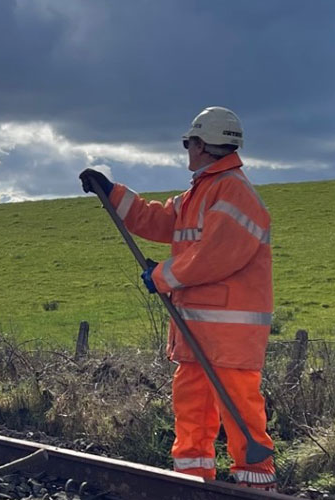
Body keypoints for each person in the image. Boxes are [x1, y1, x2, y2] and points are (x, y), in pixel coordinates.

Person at [78, 106, 277, 490]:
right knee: (193, 407)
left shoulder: (233, 191)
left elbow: (212, 257)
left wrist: (161, 276)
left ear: (202, 144)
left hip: (228, 333)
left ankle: (256, 484)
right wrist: (113, 193)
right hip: (198, 329)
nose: (187, 149)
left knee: (239, 409)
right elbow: (158, 220)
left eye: (189, 143)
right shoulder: (202, 191)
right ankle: (191, 480)